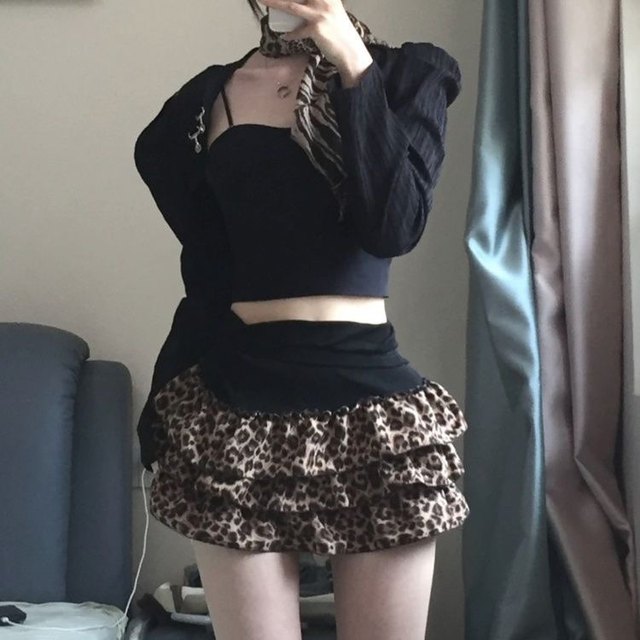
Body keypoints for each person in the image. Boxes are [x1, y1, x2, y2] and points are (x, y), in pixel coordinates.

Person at [133, 0, 470, 638]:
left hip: (372, 411)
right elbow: (210, 258)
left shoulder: (409, 76)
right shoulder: (207, 99)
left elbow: (395, 227)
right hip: (237, 407)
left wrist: (352, 64)